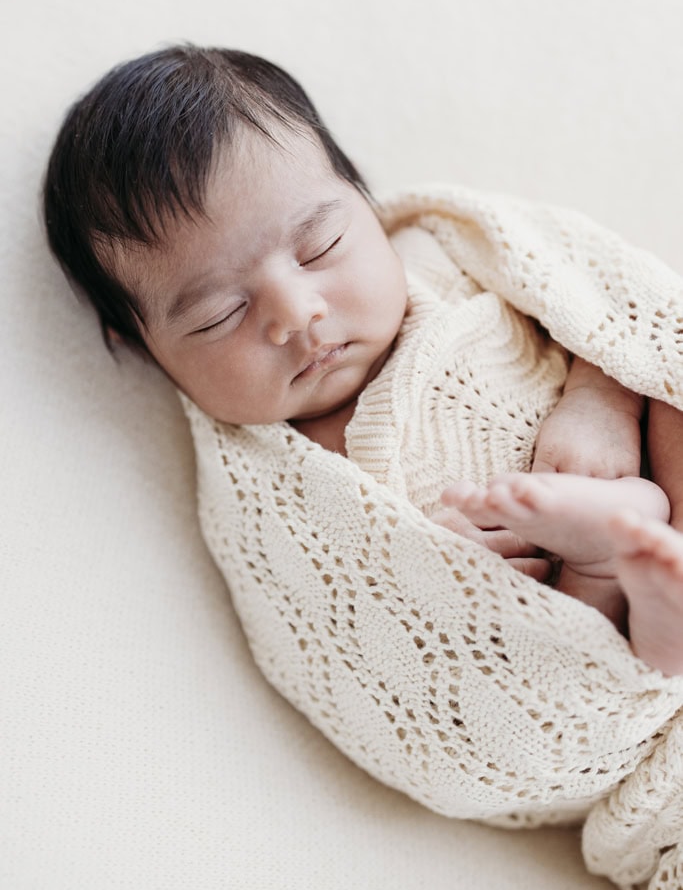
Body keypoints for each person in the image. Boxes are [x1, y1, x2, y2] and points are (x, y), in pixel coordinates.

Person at [43, 43, 683, 676]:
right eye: (219, 314)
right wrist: (439, 578)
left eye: (319, 246)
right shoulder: (262, 481)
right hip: (554, 628)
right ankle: (630, 587)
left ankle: (640, 550)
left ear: (362, 196)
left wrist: (601, 397)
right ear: (144, 346)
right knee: (572, 639)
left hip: (632, 457)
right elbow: (335, 636)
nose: (295, 312)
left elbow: (602, 299)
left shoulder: (446, 249)